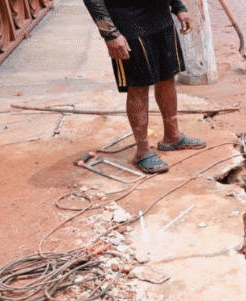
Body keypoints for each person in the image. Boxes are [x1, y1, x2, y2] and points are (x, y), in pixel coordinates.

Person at [83, 0, 206, 174]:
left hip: (161, 17)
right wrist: (110, 34)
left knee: (167, 77)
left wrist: (178, 7)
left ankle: (172, 137)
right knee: (139, 85)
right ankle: (142, 152)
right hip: (128, 19)